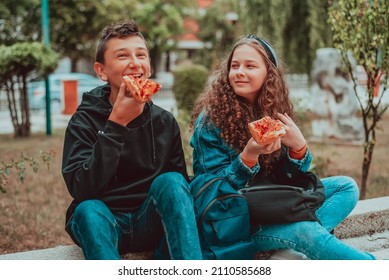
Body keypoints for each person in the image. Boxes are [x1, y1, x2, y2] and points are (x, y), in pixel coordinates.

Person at [189, 35, 375, 260]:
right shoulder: (210, 120)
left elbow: (288, 178)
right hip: (238, 221)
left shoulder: (273, 110)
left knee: (346, 187)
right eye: (234, 65)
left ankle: (285, 250)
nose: (239, 71)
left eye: (250, 66)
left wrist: (299, 150)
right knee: (305, 230)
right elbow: (212, 194)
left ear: (269, 74)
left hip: (274, 206)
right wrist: (248, 158)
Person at [61, 19, 202, 260]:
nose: (135, 63)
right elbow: (82, 189)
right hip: (104, 220)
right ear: (101, 70)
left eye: (141, 55)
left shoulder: (164, 122)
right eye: (123, 56)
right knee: (87, 210)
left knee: (173, 181)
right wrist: (116, 124)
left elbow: (176, 196)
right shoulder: (83, 121)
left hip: (150, 220)